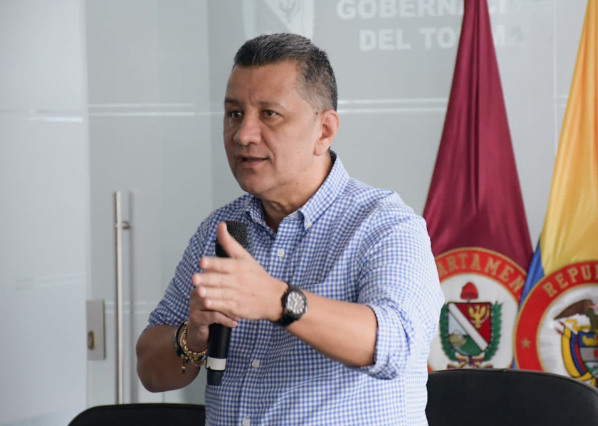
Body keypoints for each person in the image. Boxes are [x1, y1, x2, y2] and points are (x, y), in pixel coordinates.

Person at [136, 33, 445, 425]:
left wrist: (278, 301)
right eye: (234, 114)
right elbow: (150, 371)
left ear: (324, 131)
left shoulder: (385, 225)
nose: (243, 135)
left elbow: (396, 345)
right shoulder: (223, 229)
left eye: (269, 114)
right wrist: (191, 337)